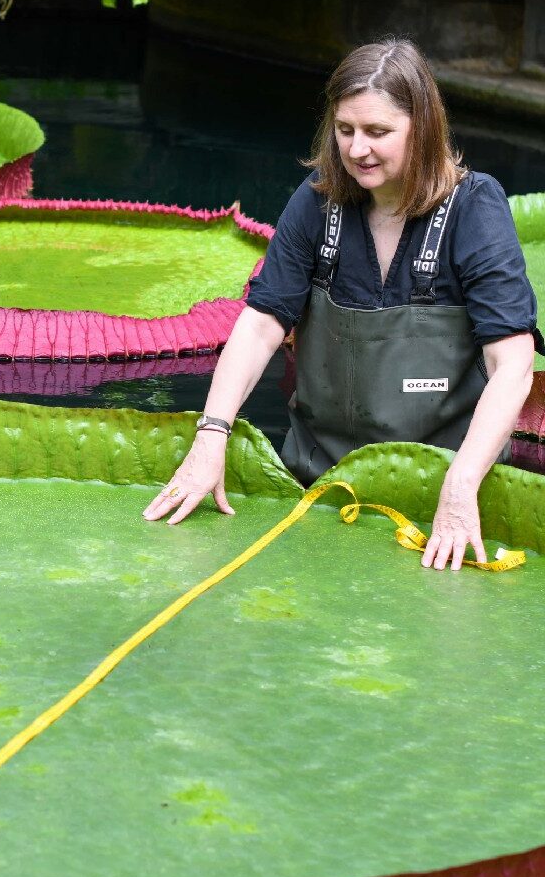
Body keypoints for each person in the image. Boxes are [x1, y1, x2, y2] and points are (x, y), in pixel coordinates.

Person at [143, 39, 539, 572]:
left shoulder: (475, 208)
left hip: (444, 484)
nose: (357, 150)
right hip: (319, 482)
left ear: (422, 128)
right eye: (345, 129)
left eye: (378, 132)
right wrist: (212, 435)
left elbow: (511, 365)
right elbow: (261, 325)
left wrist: (460, 484)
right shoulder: (316, 201)